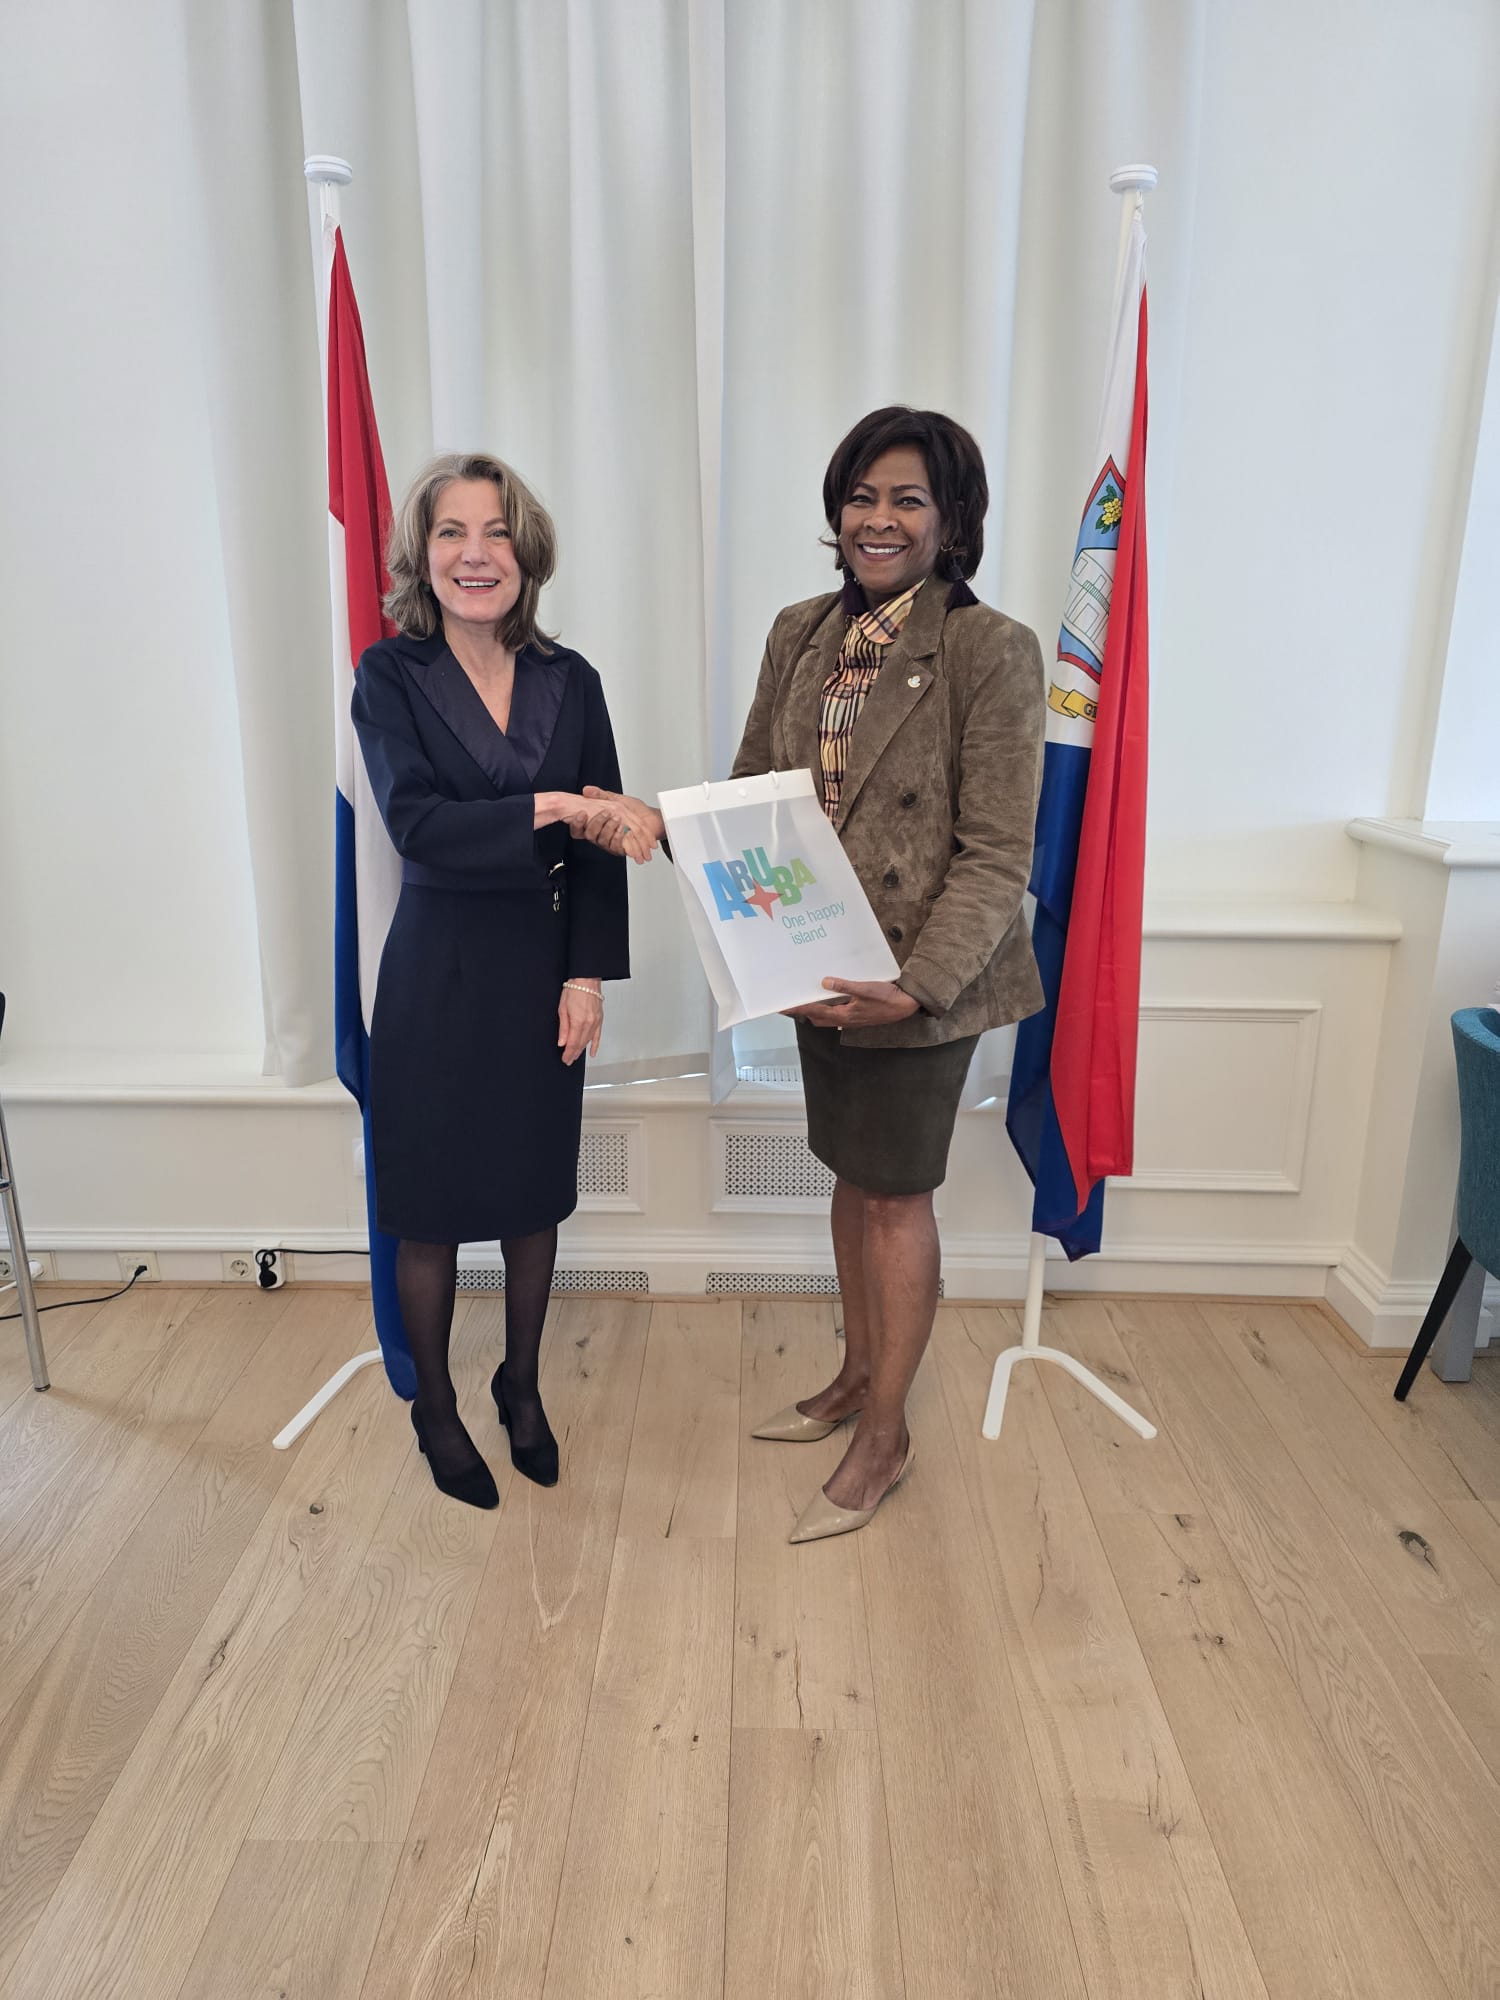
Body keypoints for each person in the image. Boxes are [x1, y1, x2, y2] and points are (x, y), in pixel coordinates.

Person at [581, 407, 1045, 1542]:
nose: (878, 520)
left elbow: (998, 852)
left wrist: (919, 984)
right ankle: (856, 1375)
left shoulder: (990, 649)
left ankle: (886, 1435)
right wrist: (664, 823)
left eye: (908, 500)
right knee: (850, 1171)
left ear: (952, 521)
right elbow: (752, 797)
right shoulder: (800, 631)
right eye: (861, 497)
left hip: (920, 982)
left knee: (896, 1191)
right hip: (815, 965)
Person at [352, 451, 633, 1509]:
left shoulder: (575, 678)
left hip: (543, 969)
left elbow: (605, 846)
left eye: (498, 531)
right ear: (422, 555)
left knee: (531, 1194)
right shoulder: (390, 674)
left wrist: (587, 976)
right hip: (436, 968)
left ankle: (521, 1383)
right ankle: (434, 1408)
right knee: (427, 1208)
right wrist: (555, 807)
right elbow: (417, 824)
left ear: (528, 551)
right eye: (452, 532)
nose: (477, 554)